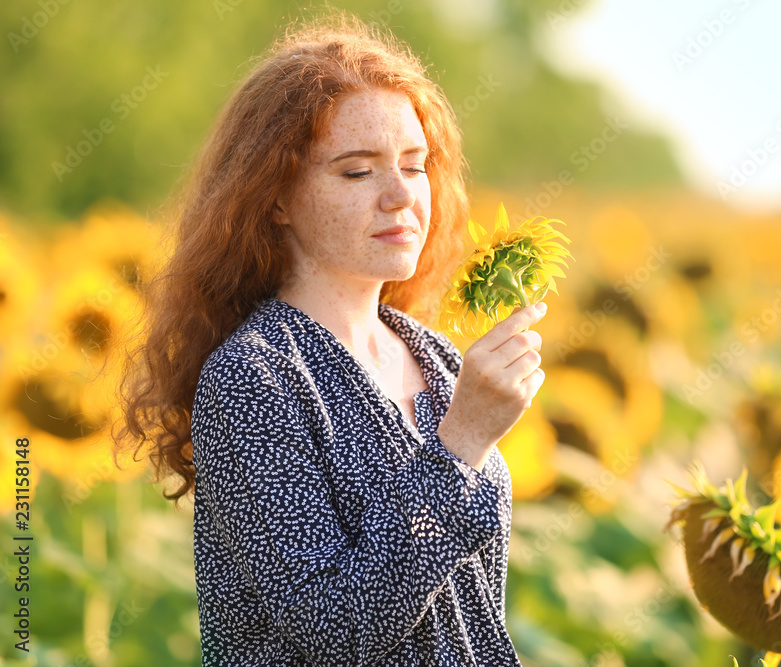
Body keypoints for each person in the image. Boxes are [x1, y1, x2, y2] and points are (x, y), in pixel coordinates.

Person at [114, 13, 545, 666]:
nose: (402, 195)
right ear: (277, 195)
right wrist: (461, 442)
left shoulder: (438, 360)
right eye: (356, 172)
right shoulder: (252, 381)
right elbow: (335, 629)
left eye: (414, 164)